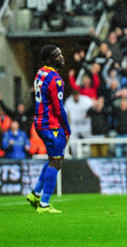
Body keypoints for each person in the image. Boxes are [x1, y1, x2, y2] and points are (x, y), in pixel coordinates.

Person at [27, 45, 71, 213]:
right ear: (49, 59)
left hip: (39, 122)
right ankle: (44, 204)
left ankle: (35, 194)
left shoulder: (40, 73)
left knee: (53, 158)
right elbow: (58, 108)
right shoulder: (55, 79)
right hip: (50, 124)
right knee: (57, 161)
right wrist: (67, 129)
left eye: (60, 53)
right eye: (57, 55)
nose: (61, 57)